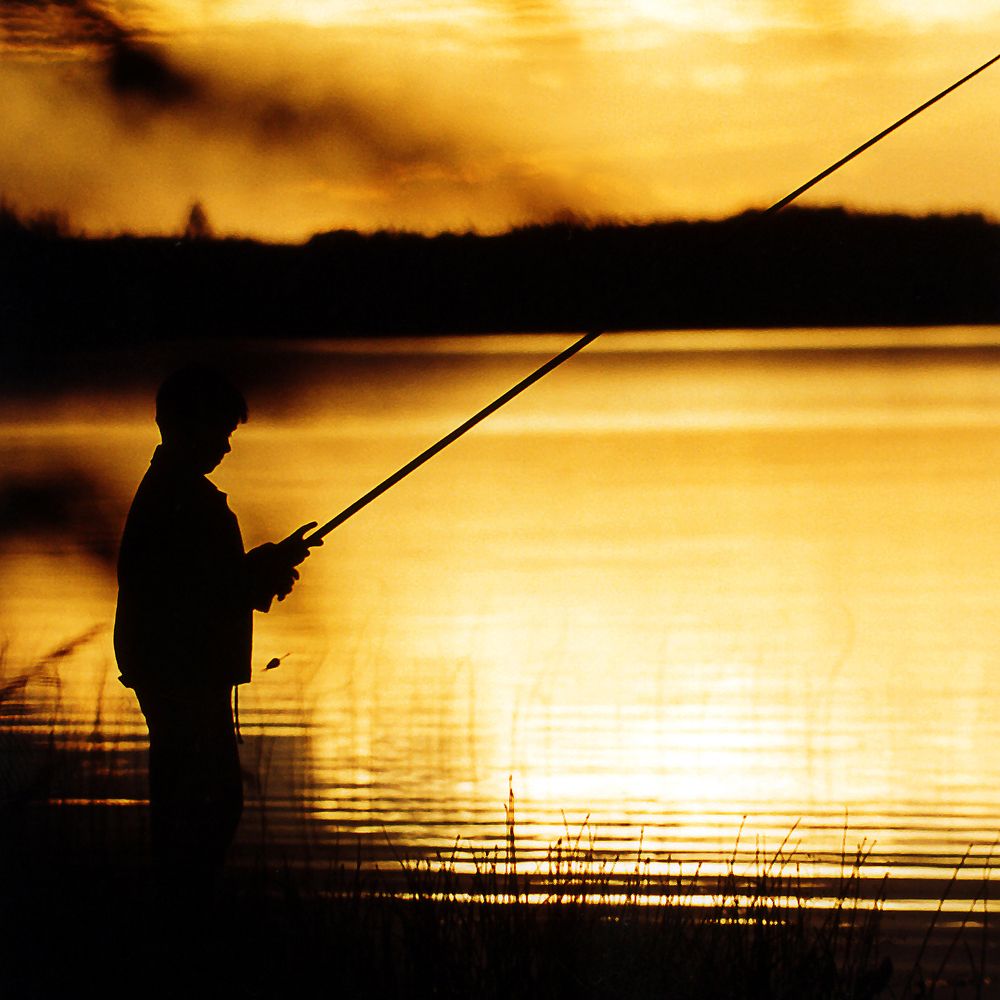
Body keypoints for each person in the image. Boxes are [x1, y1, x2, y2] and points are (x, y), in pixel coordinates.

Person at [114, 365, 320, 899]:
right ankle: (184, 916)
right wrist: (262, 573)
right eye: (222, 431)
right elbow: (196, 594)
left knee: (199, 801)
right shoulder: (185, 501)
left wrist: (268, 565)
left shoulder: (172, 493)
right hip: (183, 677)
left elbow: (208, 585)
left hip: (175, 672)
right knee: (207, 801)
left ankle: (182, 907)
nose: (227, 446)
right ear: (188, 425)